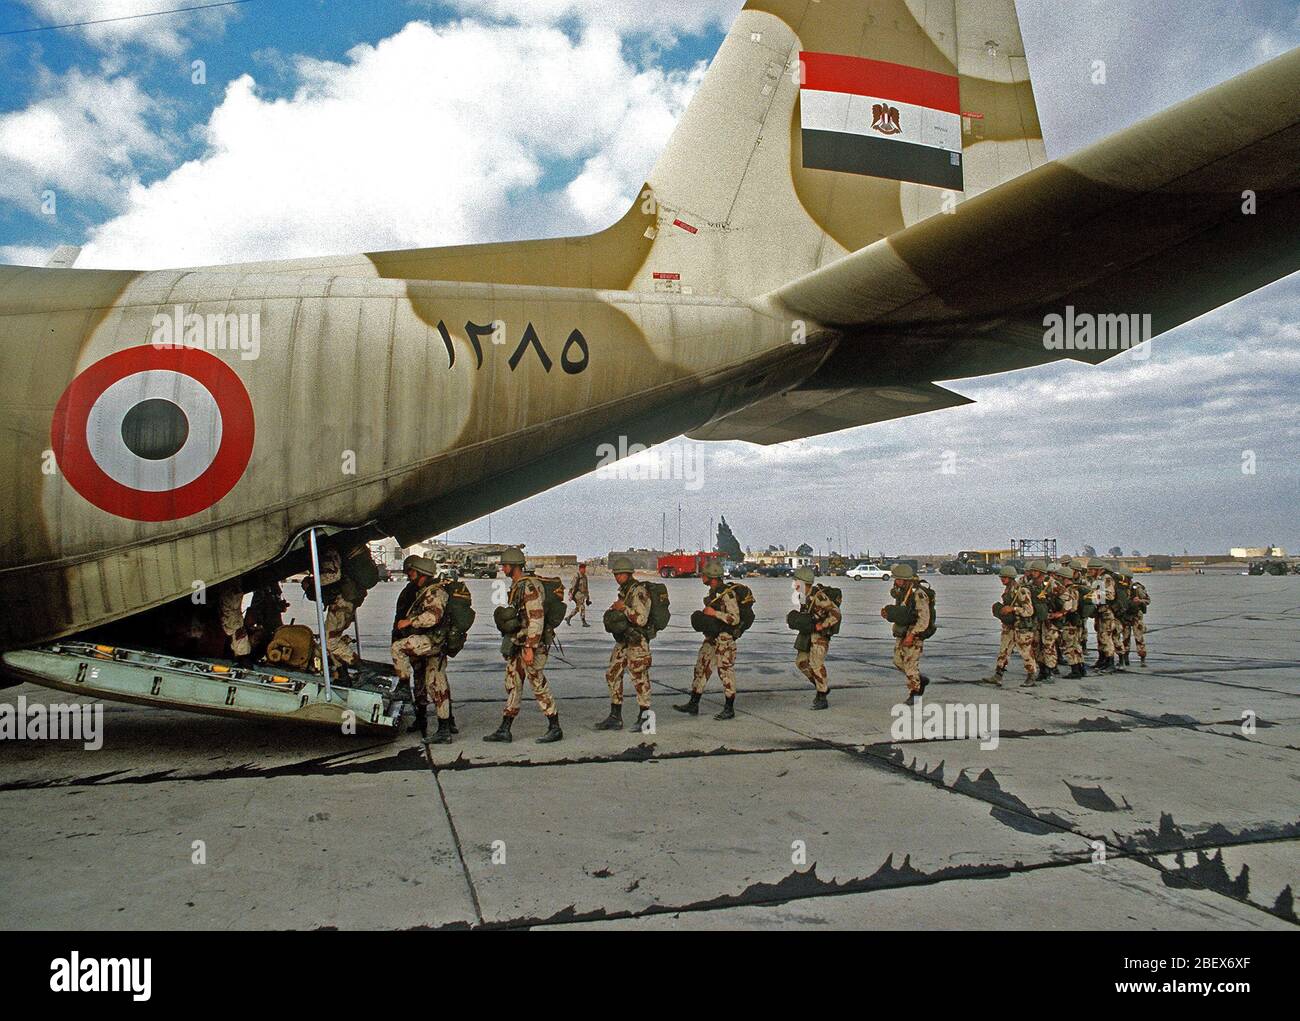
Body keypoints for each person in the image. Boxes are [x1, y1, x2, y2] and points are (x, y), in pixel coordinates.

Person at [485, 548, 562, 744]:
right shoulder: (518, 585)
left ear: (513, 566)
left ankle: (555, 727)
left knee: (537, 683)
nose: (503, 568)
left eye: (505, 565)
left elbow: (536, 618)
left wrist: (530, 647)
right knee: (513, 683)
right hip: (519, 643)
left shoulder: (528, 586)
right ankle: (505, 728)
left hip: (531, 645)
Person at [391, 557, 455, 744]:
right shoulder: (421, 591)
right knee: (435, 684)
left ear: (421, 573)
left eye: (412, 572)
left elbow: (433, 617)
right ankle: (443, 727)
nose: (409, 575)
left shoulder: (434, 592)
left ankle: (403, 688)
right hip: (430, 643)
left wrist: (409, 622)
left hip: (432, 642)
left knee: (398, 649)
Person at [675, 560, 742, 720]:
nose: (701, 577)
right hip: (712, 638)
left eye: (704, 575)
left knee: (725, 672)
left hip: (725, 639)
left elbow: (735, 619)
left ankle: (729, 708)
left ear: (711, 576)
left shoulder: (727, 594)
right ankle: (693, 703)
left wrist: (714, 614)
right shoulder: (714, 593)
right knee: (701, 667)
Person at [597, 556, 655, 732]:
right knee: (612, 674)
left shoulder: (638, 591)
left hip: (637, 642)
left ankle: (646, 720)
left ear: (628, 574)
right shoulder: (626, 591)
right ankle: (615, 717)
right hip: (624, 640)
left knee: (639, 679)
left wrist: (623, 609)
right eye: (615, 574)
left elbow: (642, 619)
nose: (616, 577)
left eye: (619, 574)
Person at [881, 564, 932, 704]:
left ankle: (915, 693)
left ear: (905, 579)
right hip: (902, 630)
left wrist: (912, 635)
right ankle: (919, 679)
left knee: (910, 665)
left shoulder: (918, 594)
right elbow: (903, 611)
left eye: (897, 579)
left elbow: (924, 618)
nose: (895, 582)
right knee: (898, 661)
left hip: (914, 632)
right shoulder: (904, 592)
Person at [792, 566, 840, 710]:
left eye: (796, 581)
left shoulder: (819, 597)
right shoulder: (804, 597)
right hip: (808, 635)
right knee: (801, 662)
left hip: (820, 637)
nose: (794, 584)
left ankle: (822, 697)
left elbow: (836, 614)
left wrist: (823, 625)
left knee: (816, 664)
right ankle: (822, 686)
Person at [984, 566, 1020, 685]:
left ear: (1011, 578)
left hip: (1021, 627)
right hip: (1010, 625)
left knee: (1028, 652)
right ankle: (998, 675)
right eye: (1001, 577)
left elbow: (1028, 610)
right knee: (1004, 650)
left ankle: (1041, 673)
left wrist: (1013, 609)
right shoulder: (1008, 589)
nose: (1002, 580)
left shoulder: (1019, 590)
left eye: (1004, 577)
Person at [566, 562, 591, 627]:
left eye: (585, 569)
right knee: (582, 607)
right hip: (576, 594)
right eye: (583, 569)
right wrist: (571, 595)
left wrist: (588, 598)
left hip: (582, 595)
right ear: (580, 569)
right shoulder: (577, 576)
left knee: (578, 608)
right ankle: (583, 622)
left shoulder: (585, 577)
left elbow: (586, 588)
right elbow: (573, 586)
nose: (585, 570)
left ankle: (568, 617)